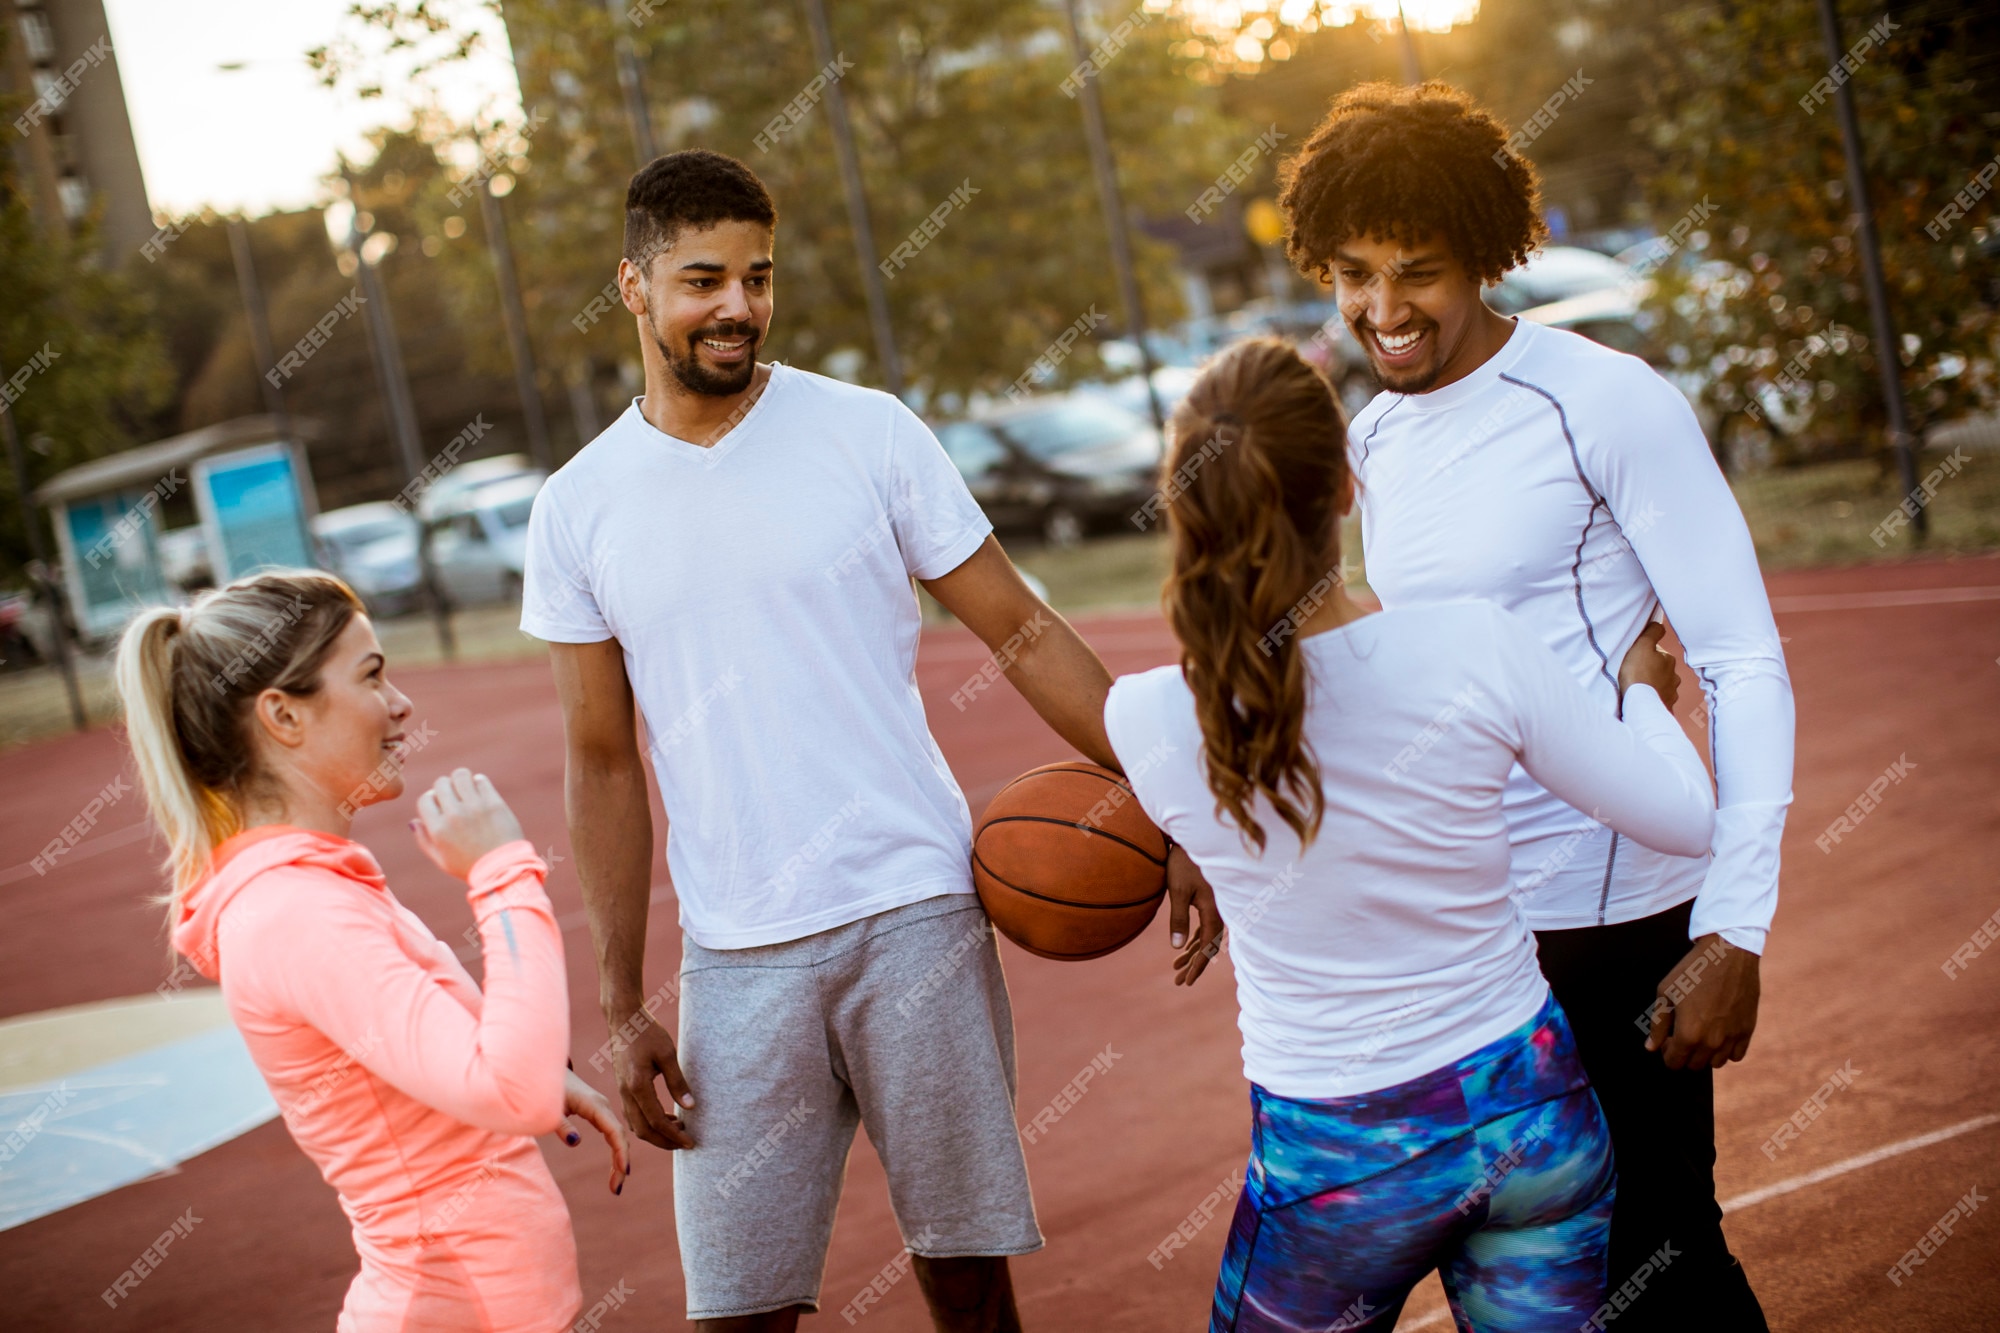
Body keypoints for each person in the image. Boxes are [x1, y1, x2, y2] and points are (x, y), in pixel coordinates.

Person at [521, 149, 1203, 1332]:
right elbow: (600, 758)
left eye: (756, 276)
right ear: (631, 288)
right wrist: (624, 999)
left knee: (968, 1282)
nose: (735, 304)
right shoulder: (577, 506)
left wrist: (1166, 797)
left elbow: (1022, 630)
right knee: (736, 1307)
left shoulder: (866, 431)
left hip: (916, 915)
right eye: (700, 279)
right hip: (738, 957)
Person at [1277, 82, 1794, 1328]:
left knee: (1654, 1264)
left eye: (1419, 273)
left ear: (1487, 255)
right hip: (1470, 932)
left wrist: (1732, 928)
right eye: (1352, 274)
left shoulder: (1602, 400)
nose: (1382, 312)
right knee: (1509, 1280)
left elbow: (1738, 659)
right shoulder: (1379, 439)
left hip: (1616, 915)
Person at [1104, 338, 1716, 1330]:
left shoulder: (1147, 718)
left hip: (1336, 1165)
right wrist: (1640, 697)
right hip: (1528, 1116)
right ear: (1346, 487)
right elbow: (1685, 821)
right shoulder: (1470, 644)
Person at [116, 570, 627, 1333]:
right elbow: (506, 1092)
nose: (400, 704)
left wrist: (537, 1066)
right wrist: (501, 869)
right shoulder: (296, 912)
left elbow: (454, 1064)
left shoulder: (311, 888)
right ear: (283, 715)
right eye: (372, 675)